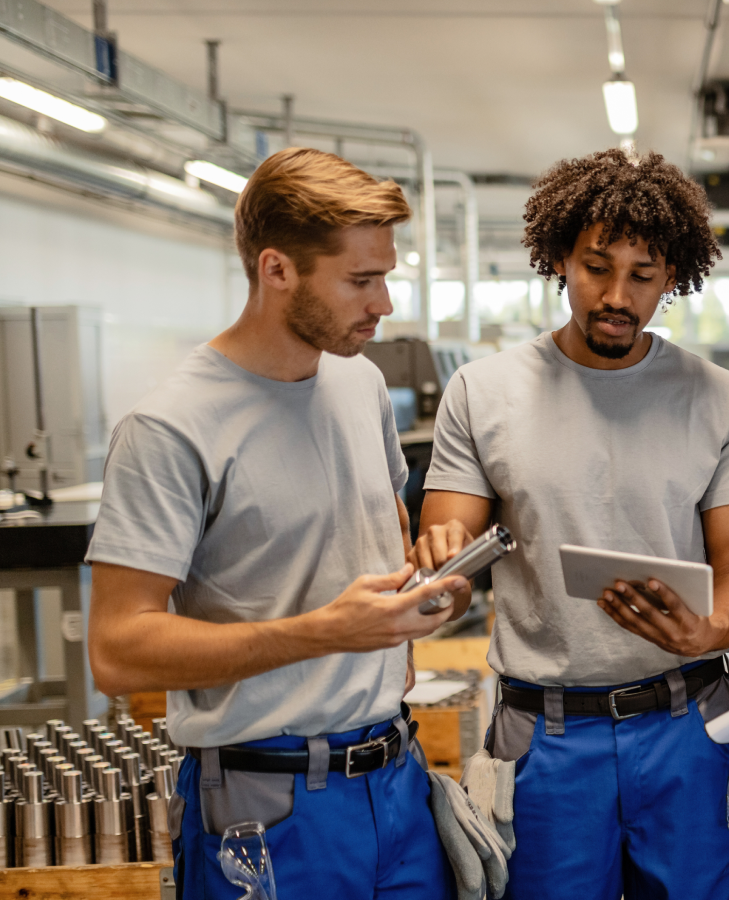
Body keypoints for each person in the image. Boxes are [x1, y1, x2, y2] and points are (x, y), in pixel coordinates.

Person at [85, 148, 464, 899]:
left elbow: (382, 526)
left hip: (396, 779)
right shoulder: (171, 428)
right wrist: (324, 631)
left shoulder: (360, 382)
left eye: (385, 275)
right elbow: (117, 651)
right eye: (361, 280)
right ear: (276, 270)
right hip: (270, 801)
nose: (384, 302)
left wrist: (422, 586)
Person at [412, 148, 729, 899]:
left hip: (687, 726)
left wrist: (716, 630)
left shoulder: (717, 396)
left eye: (642, 276)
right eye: (595, 267)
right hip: (544, 739)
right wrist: (439, 568)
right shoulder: (484, 392)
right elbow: (449, 547)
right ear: (559, 261)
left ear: (674, 277)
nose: (616, 294)